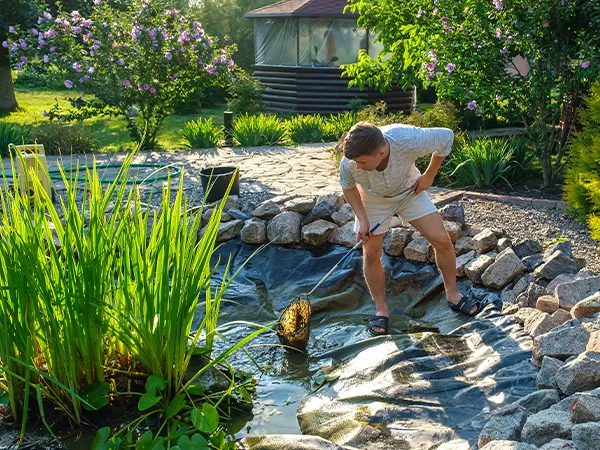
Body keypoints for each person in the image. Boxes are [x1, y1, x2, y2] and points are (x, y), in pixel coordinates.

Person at [337, 121, 483, 336]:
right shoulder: (349, 163)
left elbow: (446, 137)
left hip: (409, 191)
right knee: (372, 252)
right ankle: (381, 310)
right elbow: (348, 187)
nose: (357, 166)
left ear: (381, 152)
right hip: (372, 198)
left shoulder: (407, 139)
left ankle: (453, 295)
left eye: (362, 162)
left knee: (441, 240)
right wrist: (362, 219)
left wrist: (430, 175)